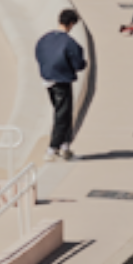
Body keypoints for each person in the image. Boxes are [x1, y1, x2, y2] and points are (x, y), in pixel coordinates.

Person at [34, 9, 88, 160]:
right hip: (61, 80)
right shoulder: (69, 43)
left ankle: (65, 145)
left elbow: (38, 54)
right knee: (62, 114)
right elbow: (79, 64)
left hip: (47, 78)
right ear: (71, 24)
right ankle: (53, 148)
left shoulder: (44, 39)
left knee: (62, 111)